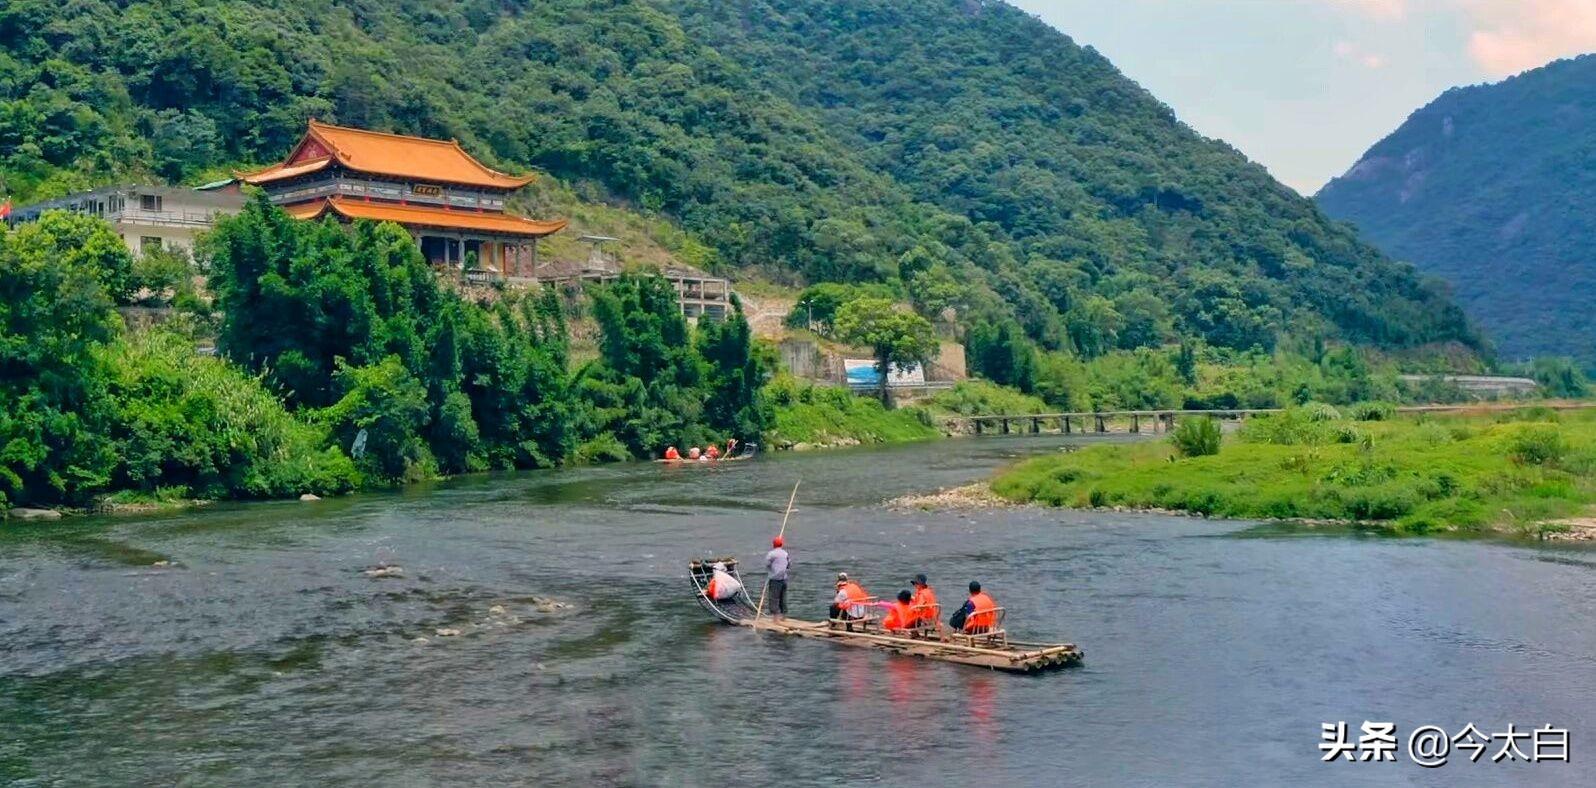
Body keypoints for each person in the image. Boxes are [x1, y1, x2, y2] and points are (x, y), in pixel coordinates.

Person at [764, 536, 789, 621]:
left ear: (773, 545)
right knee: (783, 597)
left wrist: (772, 568)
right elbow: (789, 565)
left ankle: (775, 618)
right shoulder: (785, 554)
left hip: (775, 578)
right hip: (784, 578)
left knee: (774, 598)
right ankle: (784, 616)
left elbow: (767, 564)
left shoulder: (771, 554)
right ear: (781, 544)